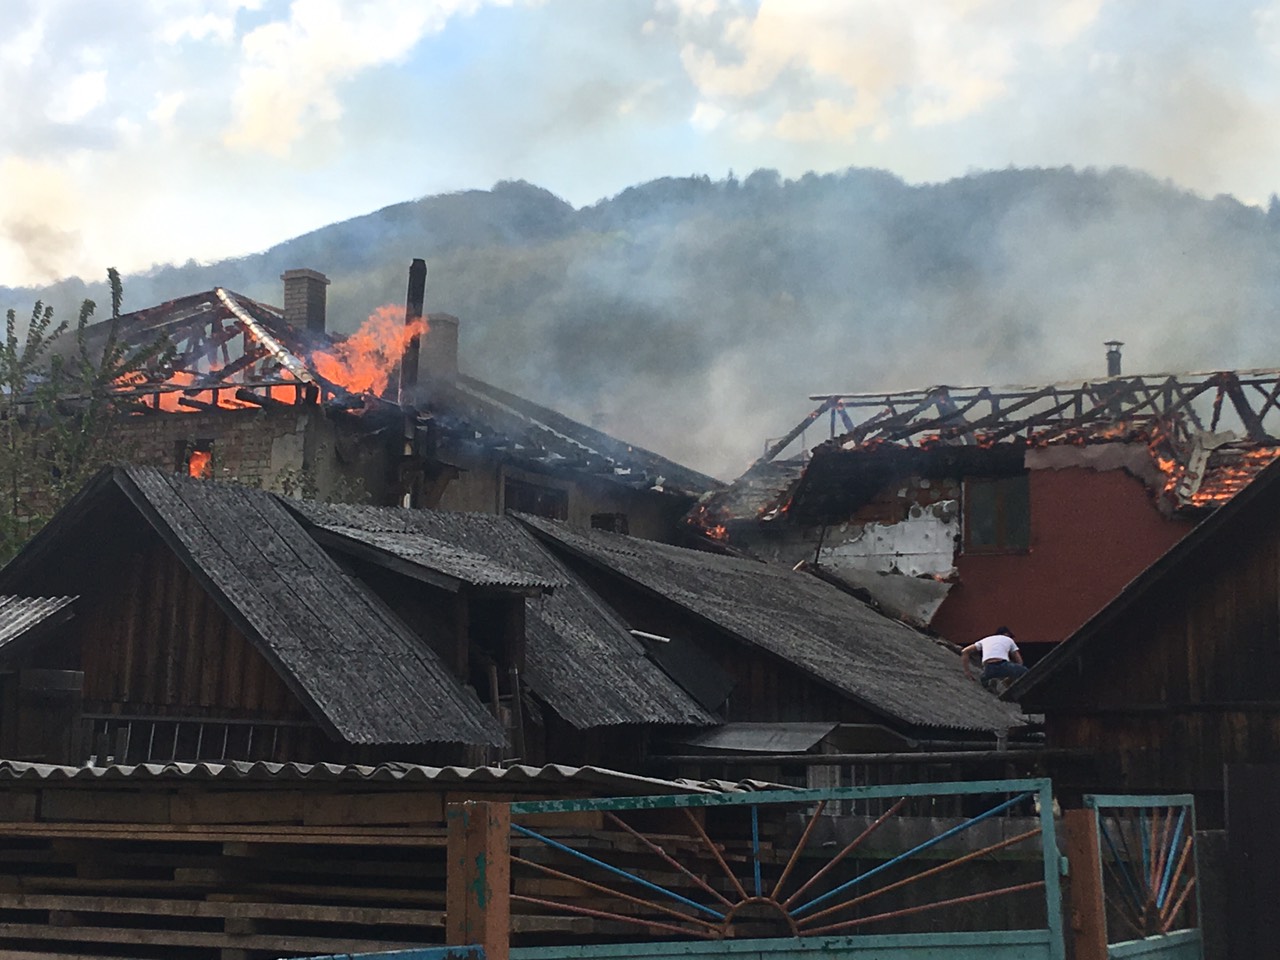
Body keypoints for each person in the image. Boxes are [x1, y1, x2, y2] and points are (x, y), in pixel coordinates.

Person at [961, 626, 1029, 687]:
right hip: (1003, 665)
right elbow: (1019, 660)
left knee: (985, 678)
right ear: (1006, 634)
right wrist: (1010, 678)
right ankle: (1004, 684)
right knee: (1024, 671)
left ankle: (987, 681)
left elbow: (965, 651)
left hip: (988, 668)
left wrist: (967, 672)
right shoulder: (1009, 639)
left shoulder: (985, 639)